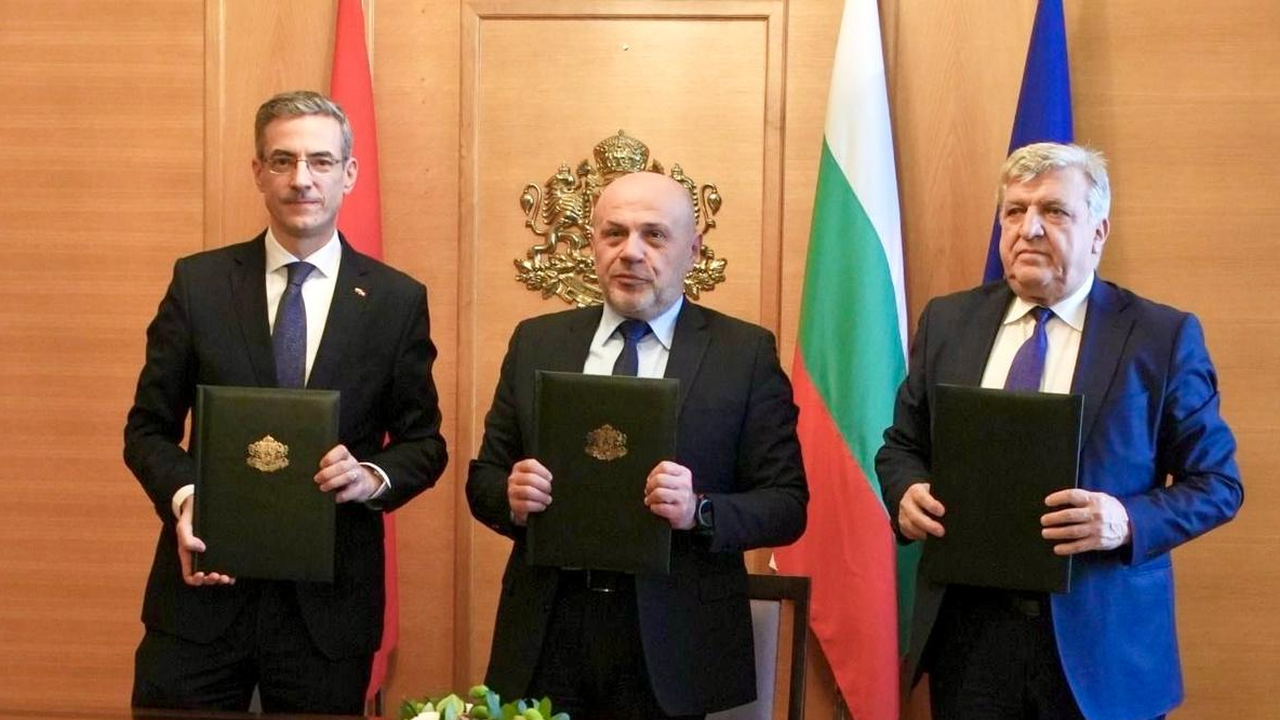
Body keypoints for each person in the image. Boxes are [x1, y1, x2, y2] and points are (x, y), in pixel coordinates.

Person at [877, 142, 1243, 720]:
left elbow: (1218, 485)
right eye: (1014, 211)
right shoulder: (949, 321)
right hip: (970, 644)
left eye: (1053, 210)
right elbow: (902, 446)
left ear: (1098, 232)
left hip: (1103, 650)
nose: (1029, 229)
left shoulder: (1159, 337)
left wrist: (1125, 520)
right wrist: (905, 491)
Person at [123, 90, 448, 714]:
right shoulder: (199, 284)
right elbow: (147, 430)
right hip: (201, 598)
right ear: (258, 172)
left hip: (328, 615)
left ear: (349, 174)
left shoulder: (395, 300)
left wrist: (371, 476)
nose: (302, 179)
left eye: (321, 161)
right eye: (283, 160)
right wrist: (188, 497)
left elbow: (424, 444)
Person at [466, 170, 808, 720]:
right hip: (548, 632)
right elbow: (483, 478)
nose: (630, 252)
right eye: (614, 233)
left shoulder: (743, 354)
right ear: (592, 243)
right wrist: (510, 495)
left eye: (654, 235)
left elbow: (787, 505)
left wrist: (699, 510)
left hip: (674, 642)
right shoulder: (537, 340)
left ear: (692, 250)